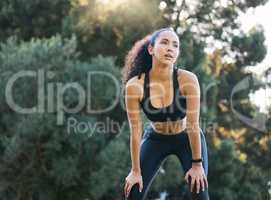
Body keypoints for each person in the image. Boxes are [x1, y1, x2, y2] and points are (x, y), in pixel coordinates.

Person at [121, 27, 209, 200]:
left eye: (175, 45)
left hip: (186, 139)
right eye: (164, 42)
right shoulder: (135, 86)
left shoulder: (187, 80)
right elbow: (135, 131)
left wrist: (197, 165)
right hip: (156, 140)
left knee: (199, 191)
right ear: (151, 49)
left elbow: (193, 125)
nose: (170, 48)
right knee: (133, 192)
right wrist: (135, 171)